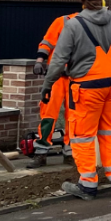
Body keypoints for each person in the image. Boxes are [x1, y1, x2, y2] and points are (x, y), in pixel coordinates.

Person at [41, 0, 111, 200]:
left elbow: (58, 60)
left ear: (82, 0)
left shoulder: (73, 25)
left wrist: (47, 85)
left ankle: (87, 185)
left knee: (82, 135)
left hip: (88, 86)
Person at [29, 11, 79, 166]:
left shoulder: (92, 26)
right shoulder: (62, 21)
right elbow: (47, 43)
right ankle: (41, 152)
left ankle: (70, 152)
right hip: (57, 77)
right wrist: (39, 61)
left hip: (75, 78)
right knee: (49, 114)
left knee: (74, 117)